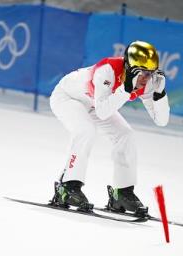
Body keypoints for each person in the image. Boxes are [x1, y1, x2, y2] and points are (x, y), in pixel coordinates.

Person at [49, 41, 170, 216]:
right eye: (142, 72)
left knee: (125, 134)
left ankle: (122, 192)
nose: (146, 78)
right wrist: (126, 89)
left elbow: (162, 120)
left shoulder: (149, 82)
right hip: (68, 98)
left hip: (96, 103)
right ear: (129, 67)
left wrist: (160, 95)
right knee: (86, 130)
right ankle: (67, 187)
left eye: (151, 73)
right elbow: (103, 111)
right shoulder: (107, 70)